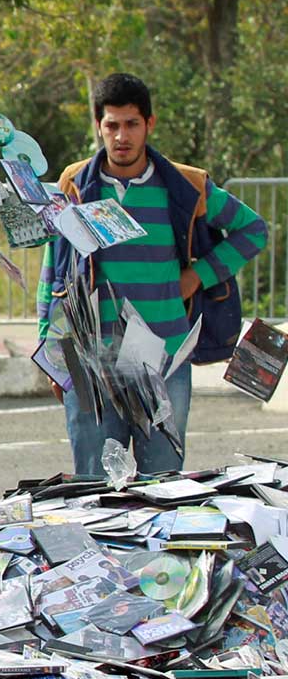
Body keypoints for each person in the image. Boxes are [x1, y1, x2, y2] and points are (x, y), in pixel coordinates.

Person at [37, 73, 268, 477]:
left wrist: (197, 277)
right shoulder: (74, 185)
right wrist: (51, 355)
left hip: (165, 359)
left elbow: (254, 230)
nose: (121, 136)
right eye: (112, 125)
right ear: (99, 127)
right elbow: (52, 269)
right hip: (91, 363)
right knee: (92, 490)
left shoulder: (187, 185)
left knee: (162, 488)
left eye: (131, 124)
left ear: (149, 125)